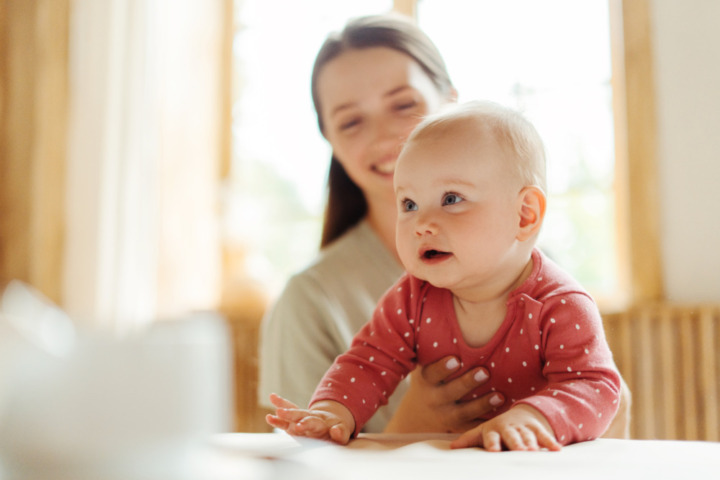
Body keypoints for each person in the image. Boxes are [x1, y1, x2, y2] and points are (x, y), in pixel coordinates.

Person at [257, 12, 631, 437]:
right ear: (329, 141)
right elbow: (367, 362)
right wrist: (342, 413)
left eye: (403, 104)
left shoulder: (552, 292)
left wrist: (540, 416)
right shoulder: (400, 298)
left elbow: (599, 392)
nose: (387, 138)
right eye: (410, 204)